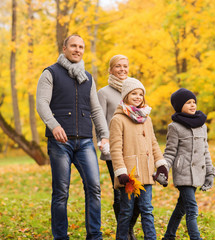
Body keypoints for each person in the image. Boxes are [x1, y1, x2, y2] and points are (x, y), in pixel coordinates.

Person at [36, 34, 109, 240]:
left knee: (94, 188)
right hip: (60, 143)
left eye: (81, 47)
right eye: (74, 46)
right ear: (64, 48)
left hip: (86, 141)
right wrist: (54, 125)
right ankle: (61, 237)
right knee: (61, 193)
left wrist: (103, 135)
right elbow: (42, 104)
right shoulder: (50, 73)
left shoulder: (88, 77)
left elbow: (95, 110)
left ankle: (94, 236)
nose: (78, 50)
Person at [109, 78, 168, 240]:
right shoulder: (118, 119)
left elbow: (154, 143)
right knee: (127, 211)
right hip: (129, 177)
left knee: (147, 209)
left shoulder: (146, 119)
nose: (138, 97)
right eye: (134, 93)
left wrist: (161, 164)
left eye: (141, 94)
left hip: (147, 173)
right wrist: (121, 172)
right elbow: (115, 149)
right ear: (126, 95)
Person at [161, 88, 215, 240]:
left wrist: (210, 172)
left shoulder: (202, 126)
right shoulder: (175, 127)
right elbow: (170, 152)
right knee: (192, 208)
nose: (192, 105)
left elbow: (205, 151)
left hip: (198, 172)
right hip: (183, 173)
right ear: (179, 106)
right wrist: (163, 169)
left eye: (194, 102)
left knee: (181, 208)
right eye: (188, 102)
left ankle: (169, 236)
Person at [97, 55, 139, 239]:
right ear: (110, 70)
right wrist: (102, 141)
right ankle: (125, 233)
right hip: (113, 150)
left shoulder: (134, 90)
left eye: (125, 66)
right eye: (118, 66)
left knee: (137, 194)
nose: (122, 69)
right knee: (122, 192)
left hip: (134, 149)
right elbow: (98, 120)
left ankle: (128, 227)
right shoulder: (104, 93)